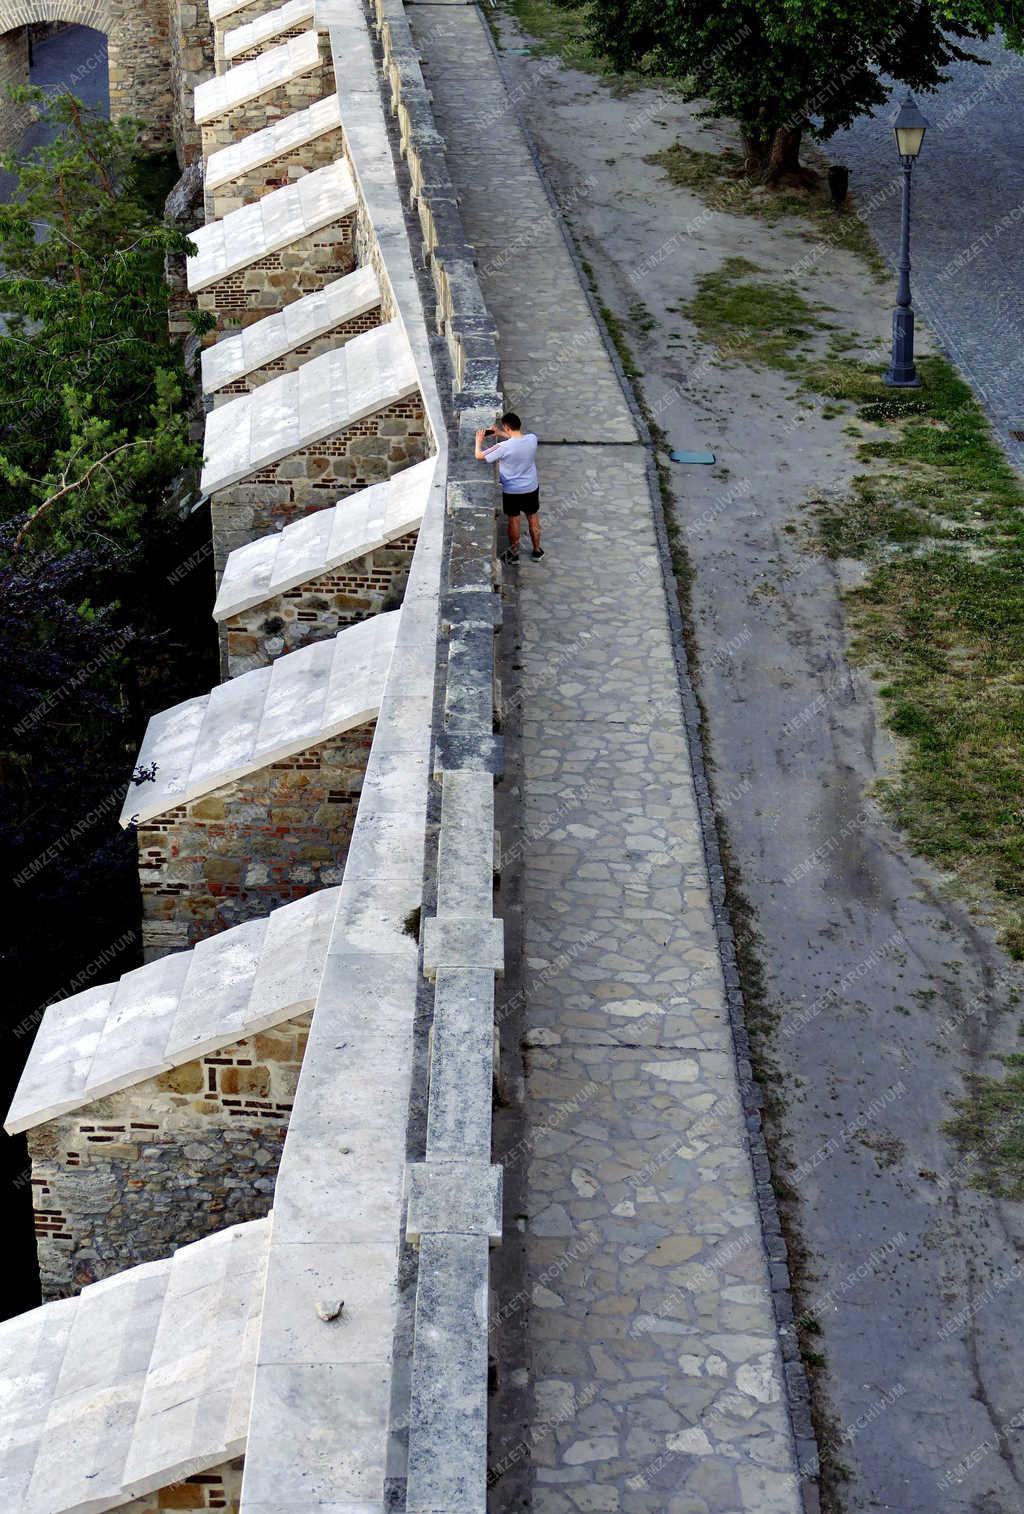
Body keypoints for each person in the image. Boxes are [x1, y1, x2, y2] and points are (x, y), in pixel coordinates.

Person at [475, 412, 544, 562]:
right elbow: (518, 440)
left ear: (507, 427)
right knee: (532, 516)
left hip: (512, 490)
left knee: (514, 520)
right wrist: (500, 433)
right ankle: (537, 550)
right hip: (531, 487)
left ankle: (514, 554)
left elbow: (479, 456)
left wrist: (478, 440)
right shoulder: (532, 439)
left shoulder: (502, 447)